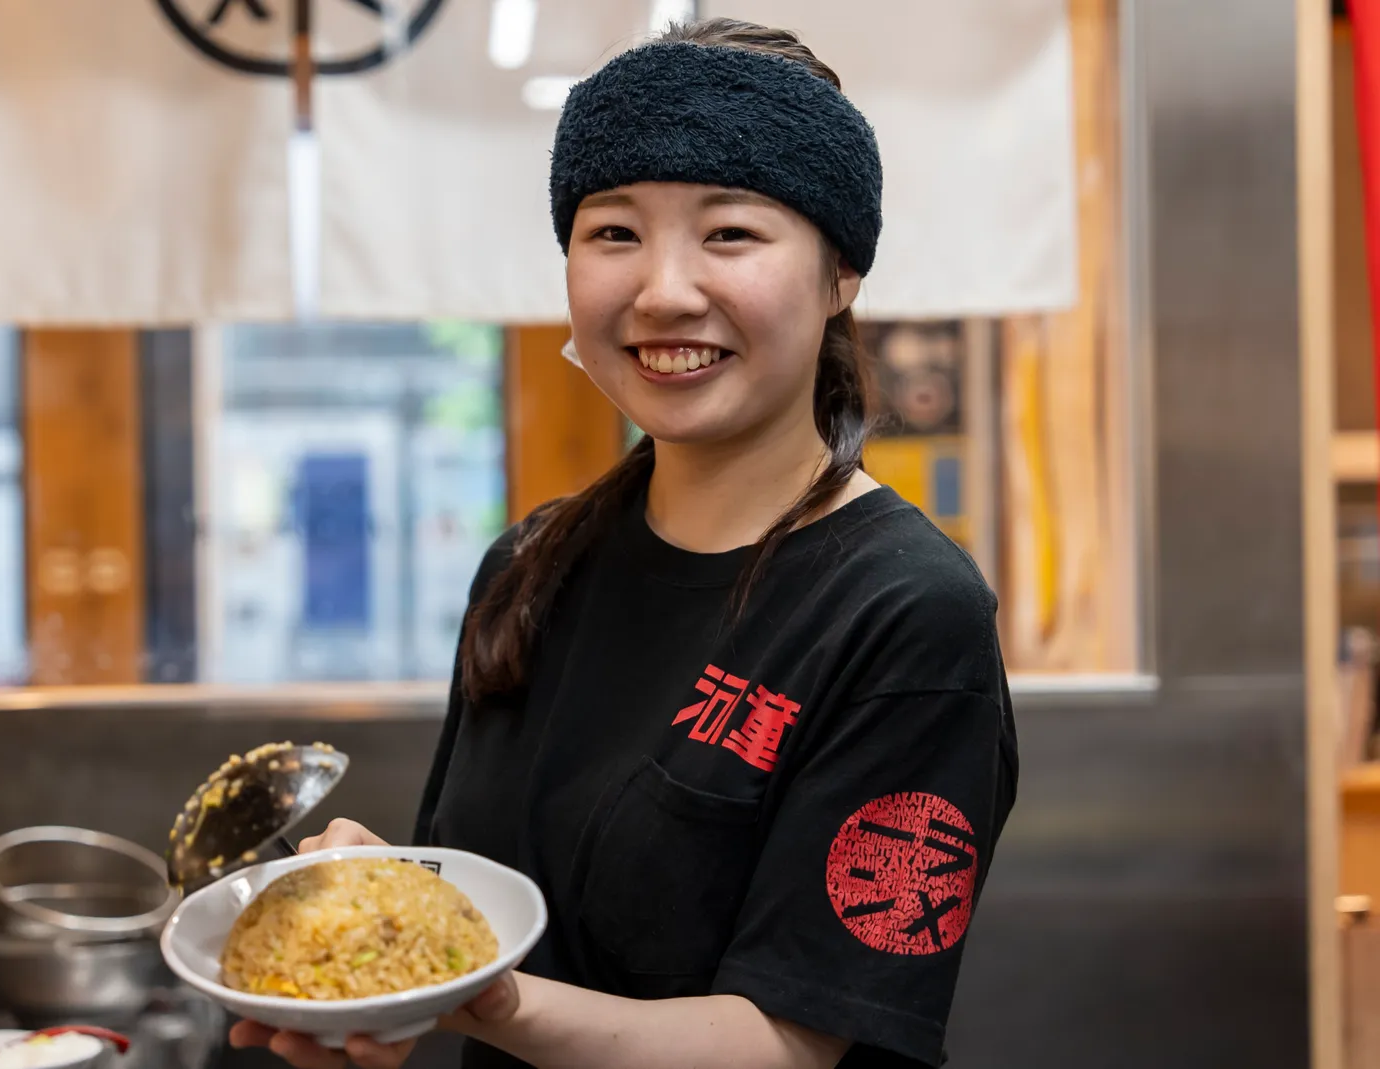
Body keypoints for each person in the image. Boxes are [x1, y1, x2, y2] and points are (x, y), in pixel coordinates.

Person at [231, 17, 1018, 1069]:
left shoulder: (903, 609)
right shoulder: (531, 564)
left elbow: (788, 1039)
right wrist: (381, 925)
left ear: (840, 277)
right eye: (613, 233)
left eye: (729, 233)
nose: (661, 291)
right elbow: (483, 906)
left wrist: (495, 1002)